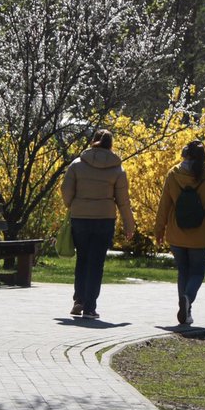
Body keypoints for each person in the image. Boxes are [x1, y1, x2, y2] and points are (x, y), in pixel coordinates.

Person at [61, 128, 135, 319]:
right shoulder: (117, 169)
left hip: (80, 219)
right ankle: (90, 307)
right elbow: (123, 200)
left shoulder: (77, 165)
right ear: (111, 145)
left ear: (93, 141)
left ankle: (79, 300)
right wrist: (129, 224)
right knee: (96, 263)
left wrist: (74, 204)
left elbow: (66, 190)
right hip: (104, 220)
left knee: (83, 259)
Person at [154, 139, 205, 328]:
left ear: (184, 154)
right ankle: (188, 300)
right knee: (197, 271)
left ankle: (185, 309)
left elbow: (164, 205)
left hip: (177, 232)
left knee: (183, 271)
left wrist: (159, 229)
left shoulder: (174, 174)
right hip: (201, 234)